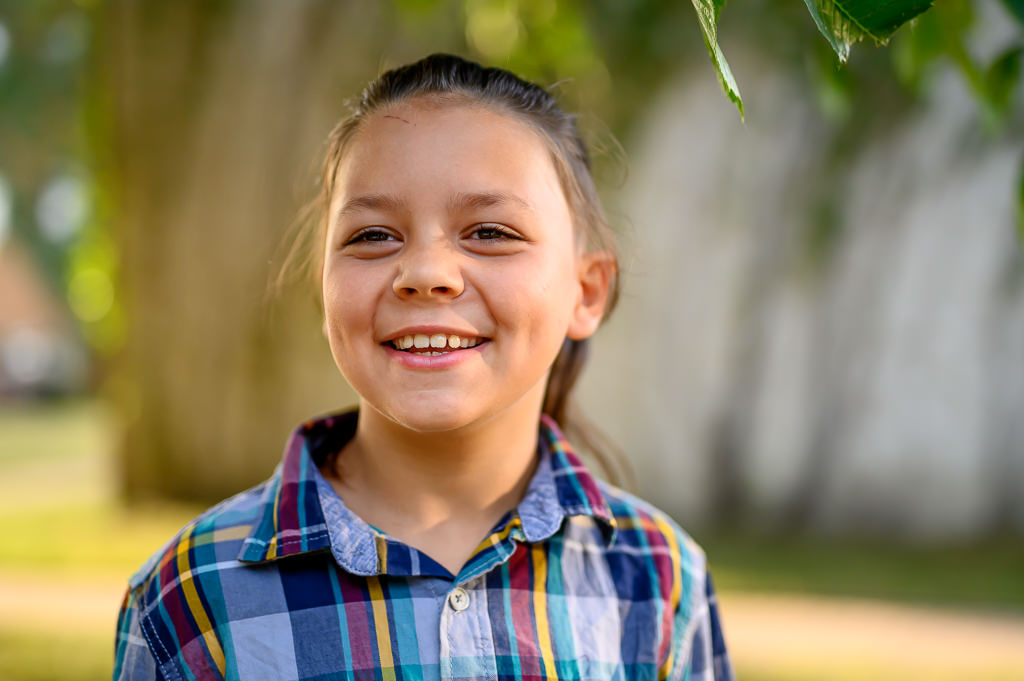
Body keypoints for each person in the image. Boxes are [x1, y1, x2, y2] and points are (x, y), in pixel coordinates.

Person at [113, 53, 734, 681]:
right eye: (373, 236)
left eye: (490, 232)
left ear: (587, 291)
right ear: (324, 290)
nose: (426, 273)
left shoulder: (661, 583)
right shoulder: (190, 597)